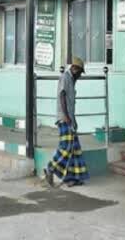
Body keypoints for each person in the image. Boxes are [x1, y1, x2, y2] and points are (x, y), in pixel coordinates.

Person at [44, 57, 90, 187]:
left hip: (70, 118)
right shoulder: (65, 77)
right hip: (64, 118)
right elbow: (62, 96)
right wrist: (67, 117)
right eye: (80, 72)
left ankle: (72, 178)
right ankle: (50, 168)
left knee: (75, 150)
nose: (80, 76)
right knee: (66, 147)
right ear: (74, 69)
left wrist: (73, 120)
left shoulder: (71, 80)